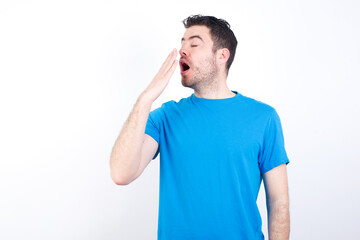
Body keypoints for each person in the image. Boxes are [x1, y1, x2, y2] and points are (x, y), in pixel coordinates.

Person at [110, 15, 290, 240]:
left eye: (194, 44)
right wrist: (145, 99)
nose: (183, 50)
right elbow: (121, 174)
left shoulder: (264, 118)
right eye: (182, 43)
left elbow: (278, 201)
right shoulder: (165, 117)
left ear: (222, 55)